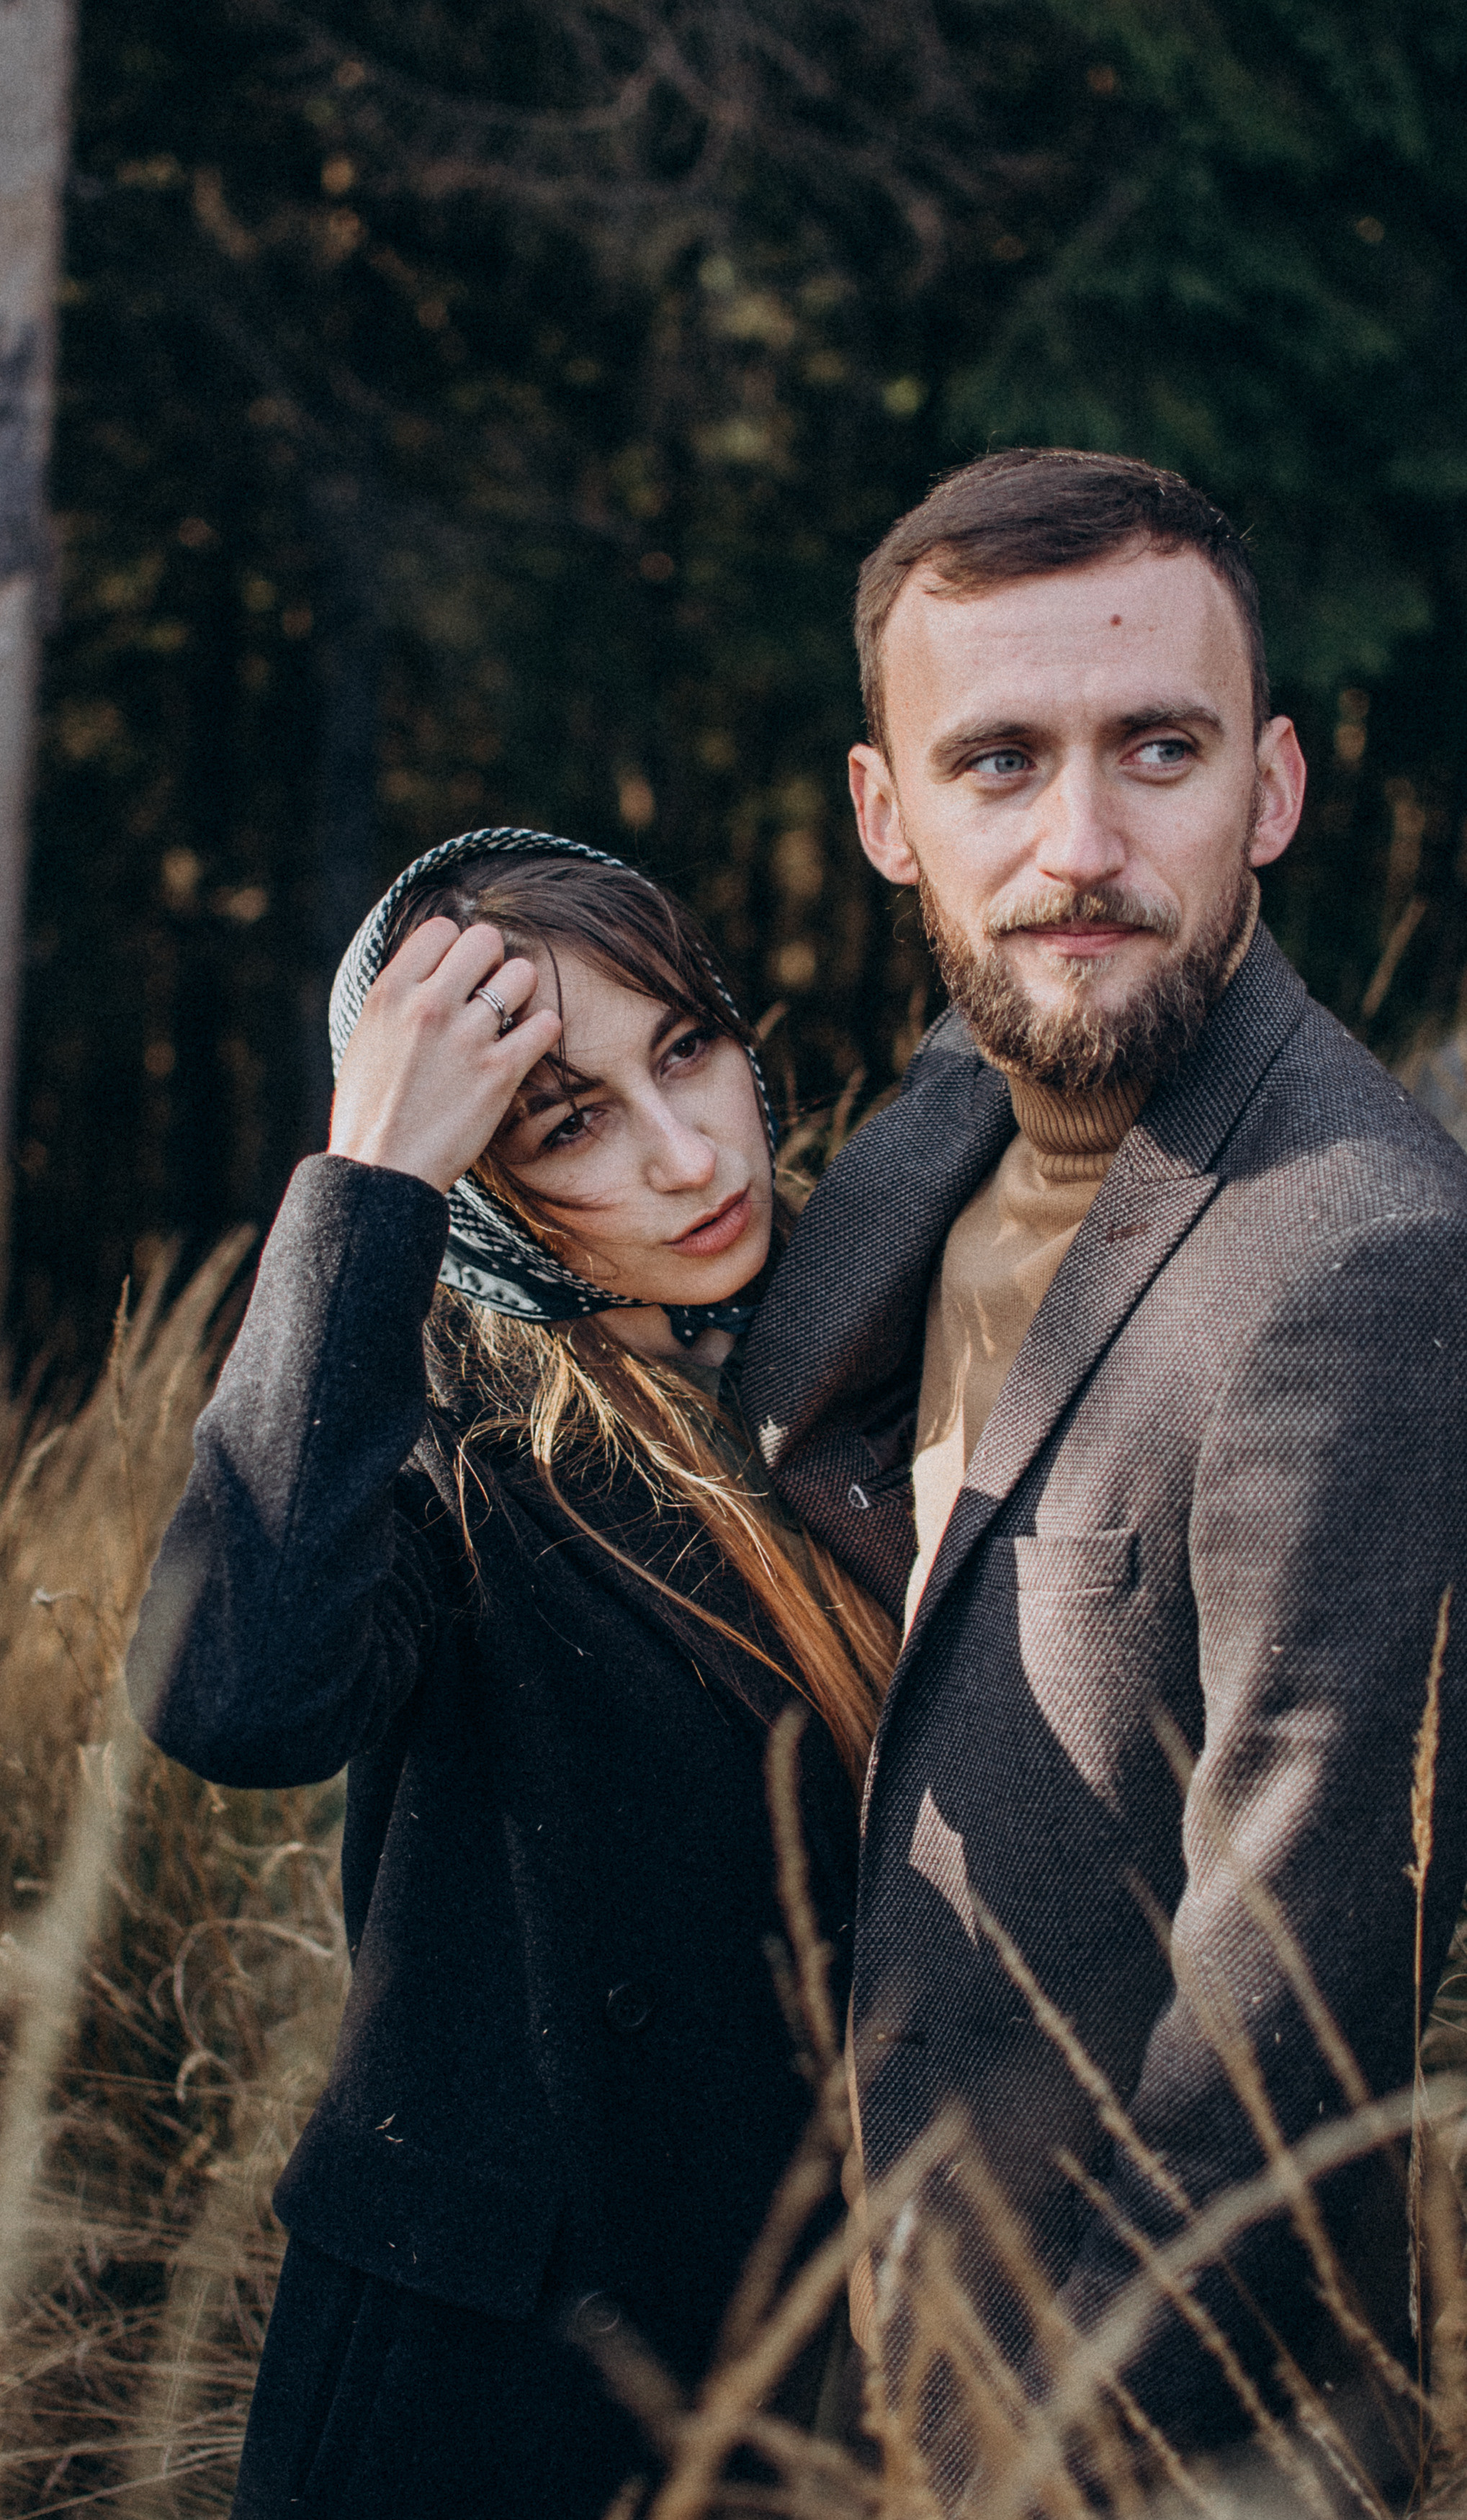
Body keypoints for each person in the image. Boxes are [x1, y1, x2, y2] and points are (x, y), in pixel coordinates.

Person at [739, 449, 1467, 2493]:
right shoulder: (934, 1118)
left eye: (1155, 745)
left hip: (1125, 2434)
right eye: (992, 760)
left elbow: (1281, 2040)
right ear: (884, 815)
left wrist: (1030, 2455)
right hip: (827, 2353)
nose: (1077, 843)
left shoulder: (1362, 1257)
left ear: (1271, 786)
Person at [125, 829, 894, 2520]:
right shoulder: (445, 1470)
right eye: (571, 1121)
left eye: (686, 1049)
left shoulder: (879, 1343)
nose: (692, 1157)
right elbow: (235, 1696)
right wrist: (373, 1182)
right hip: (488, 2392)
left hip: (819, 2362)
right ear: (476, 1178)